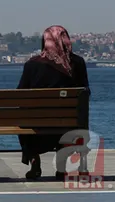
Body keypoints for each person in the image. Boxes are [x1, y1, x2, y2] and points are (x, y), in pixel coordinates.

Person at [16, 25, 90, 180]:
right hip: (69, 125)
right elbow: (85, 91)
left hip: (37, 124)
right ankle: (62, 167)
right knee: (66, 123)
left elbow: (20, 94)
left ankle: (34, 160)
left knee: (22, 119)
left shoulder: (32, 64)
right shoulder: (78, 63)